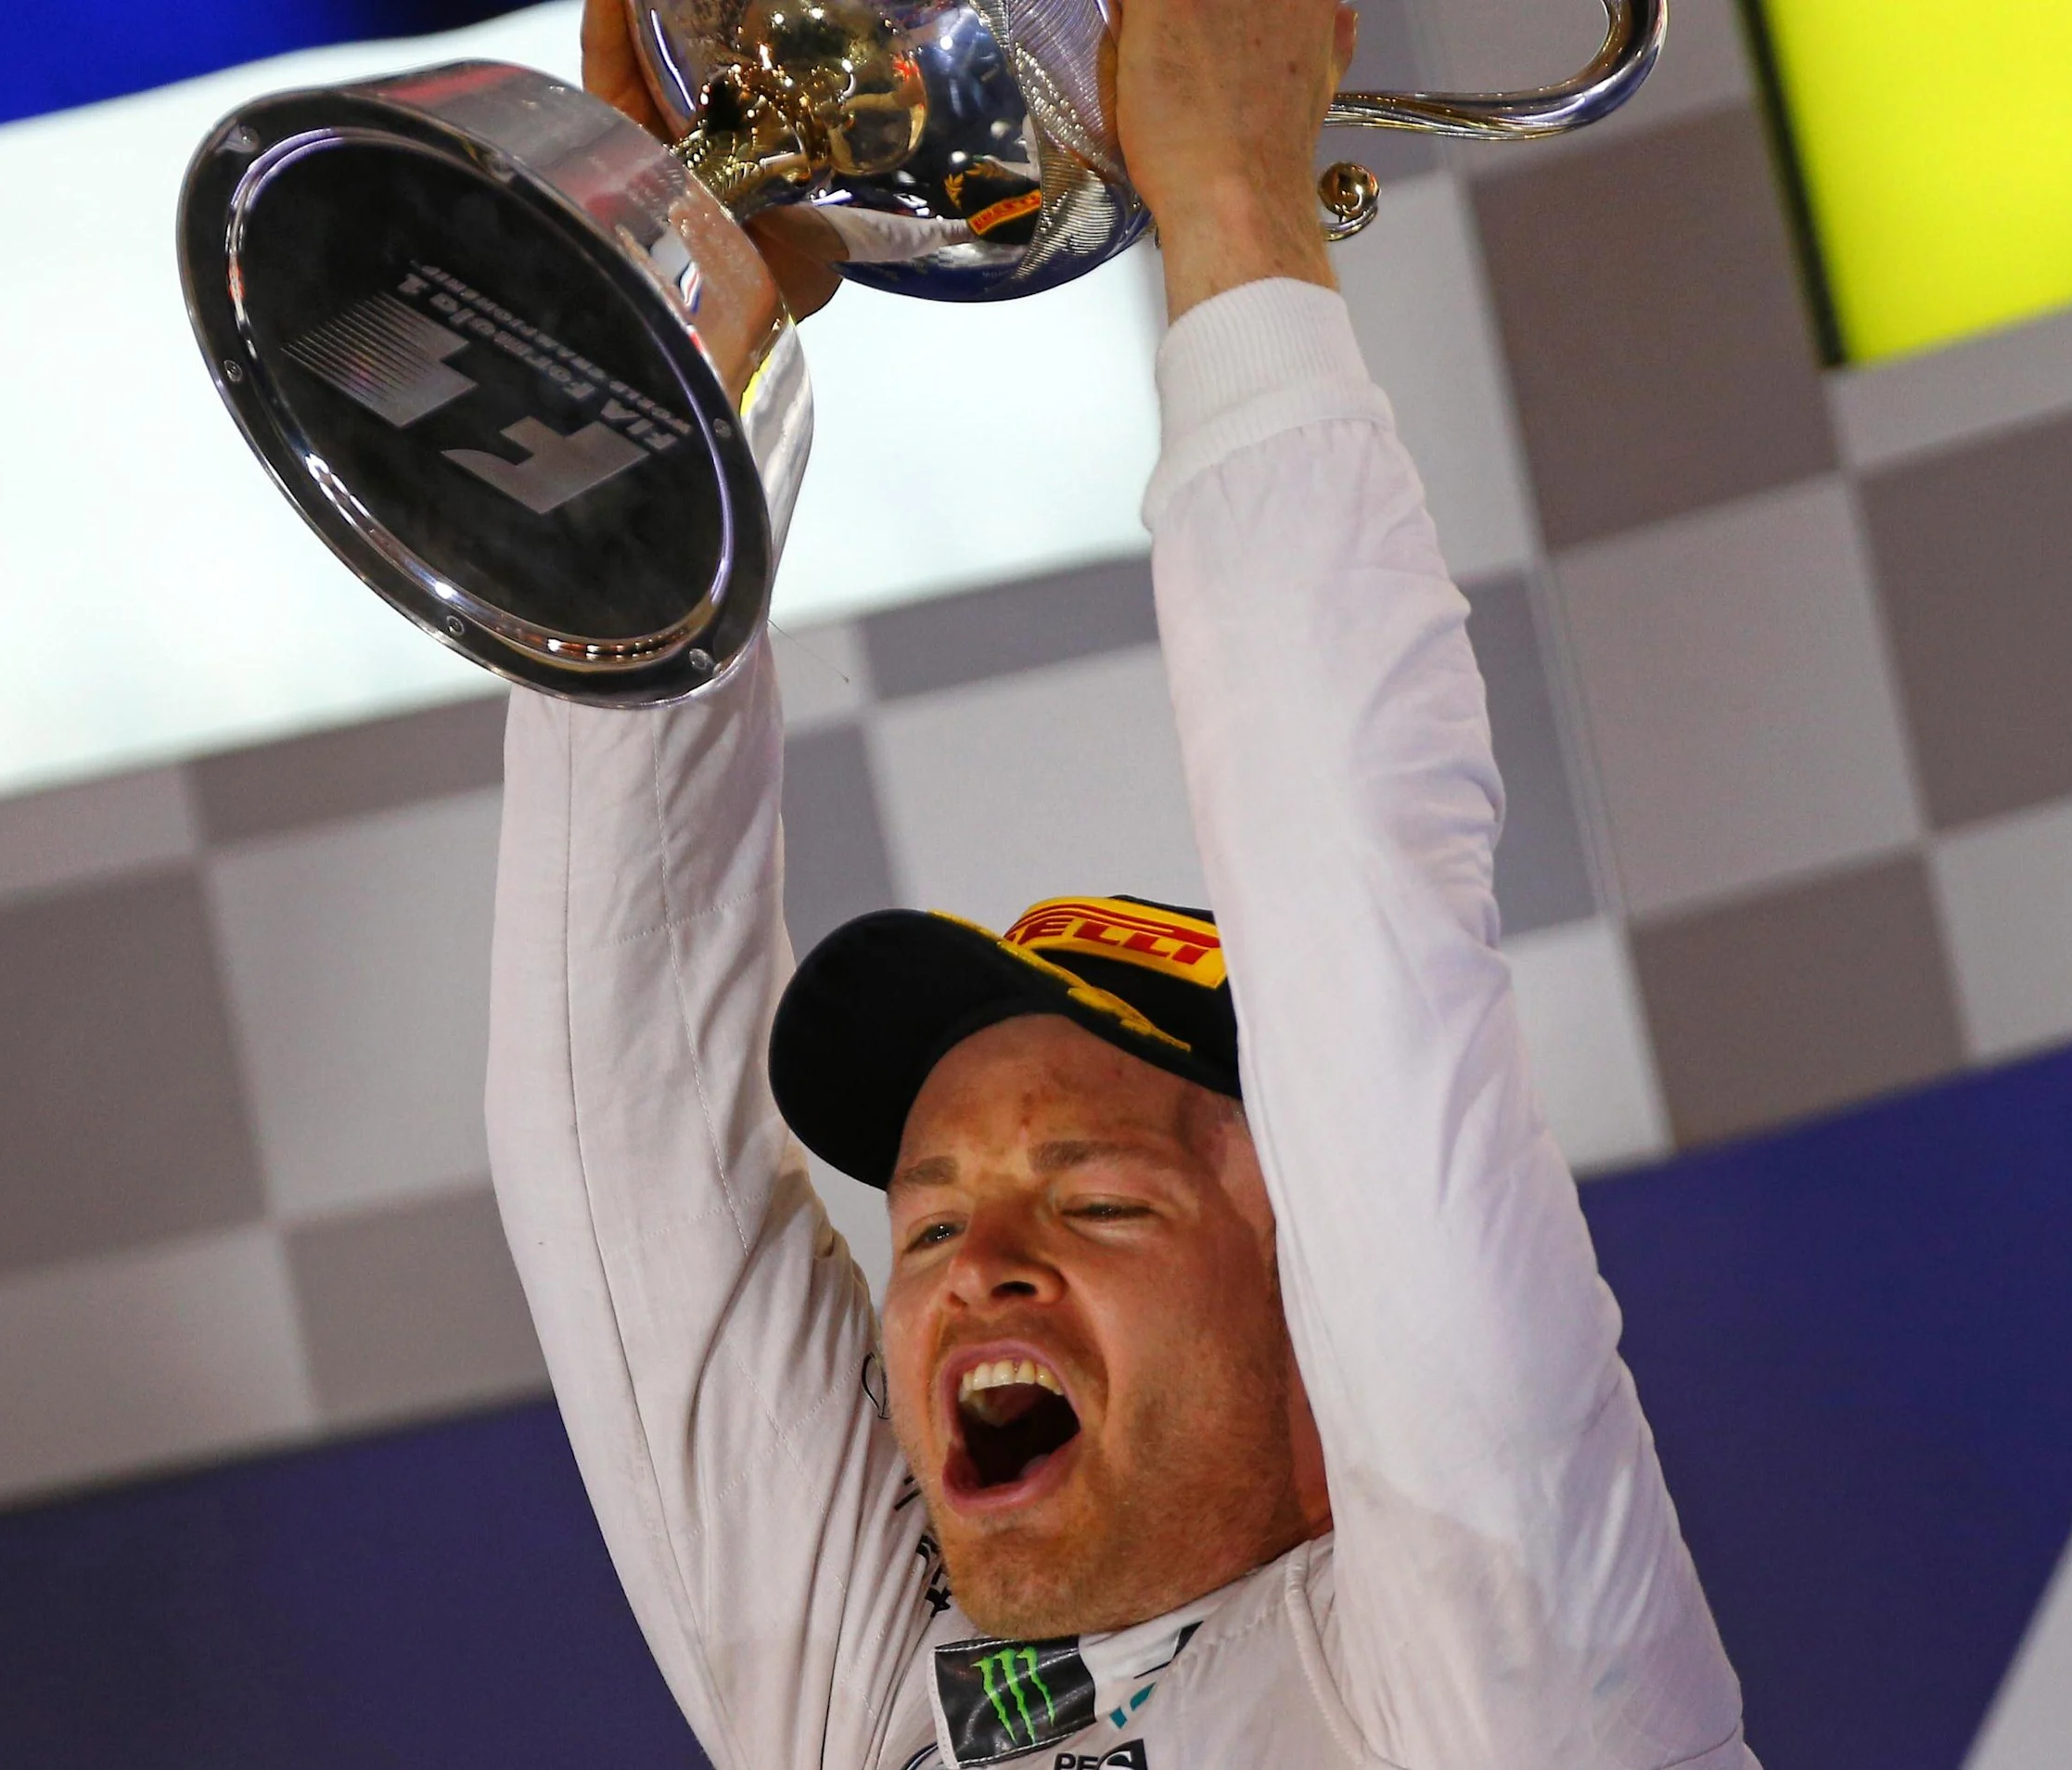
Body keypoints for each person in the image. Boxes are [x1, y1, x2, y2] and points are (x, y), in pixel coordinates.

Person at [486, 0, 1759, 1757]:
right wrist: (666, 351)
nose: (976, 1275)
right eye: (930, 1222)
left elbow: (1368, 980)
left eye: (1102, 1206)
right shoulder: (871, 1703)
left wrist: (1238, 214)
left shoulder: (1496, 1676)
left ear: (1323, 1313)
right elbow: (618, 1120)